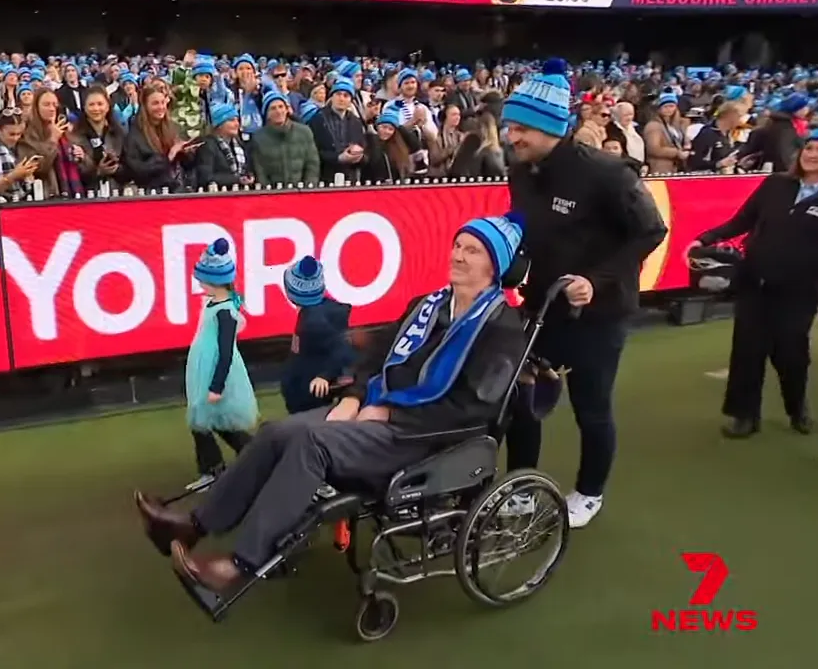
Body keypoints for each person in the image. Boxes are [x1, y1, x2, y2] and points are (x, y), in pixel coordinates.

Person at [135, 213, 527, 594]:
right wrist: (355, 396)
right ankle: (194, 526)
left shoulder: (501, 329)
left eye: (473, 250)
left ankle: (242, 564)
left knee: (310, 445)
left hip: (422, 436)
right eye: (458, 245)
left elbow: (477, 409)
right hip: (376, 413)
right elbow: (376, 356)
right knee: (276, 433)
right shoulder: (428, 305)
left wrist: (390, 411)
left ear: (494, 266)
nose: (458, 255)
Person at [501, 59, 668, 529]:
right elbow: (527, 234)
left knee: (591, 408)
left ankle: (589, 492)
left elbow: (651, 232)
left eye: (522, 129)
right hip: (541, 306)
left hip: (600, 315)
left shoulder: (607, 174)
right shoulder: (520, 174)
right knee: (523, 400)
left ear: (551, 128)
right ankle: (520, 486)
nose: (512, 137)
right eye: (510, 126)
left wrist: (595, 280)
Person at [687, 116, 818, 439]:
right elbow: (742, 220)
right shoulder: (777, 184)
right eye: (809, 147)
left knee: (791, 353)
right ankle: (744, 415)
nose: (811, 154)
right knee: (747, 350)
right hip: (754, 280)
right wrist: (705, 239)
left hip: (799, 290)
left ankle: (797, 407)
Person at [182, 238, 257, 492]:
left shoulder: (225, 312)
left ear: (214, 280)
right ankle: (215, 468)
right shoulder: (214, 303)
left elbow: (225, 352)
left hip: (216, 374)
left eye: (202, 279)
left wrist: (216, 386)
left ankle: (235, 465)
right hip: (206, 370)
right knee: (208, 420)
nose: (199, 283)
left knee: (212, 420)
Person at [279, 255, 355, 415]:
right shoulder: (321, 312)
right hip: (303, 384)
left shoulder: (314, 322)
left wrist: (325, 376)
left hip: (307, 391)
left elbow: (342, 347)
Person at [193, 103, 252, 189]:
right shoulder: (207, 145)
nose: (237, 124)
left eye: (237, 120)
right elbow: (205, 178)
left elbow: (246, 170)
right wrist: (237, 180)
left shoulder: (239, 145)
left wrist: (249, 177)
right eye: (231, 120)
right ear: (219, 124)